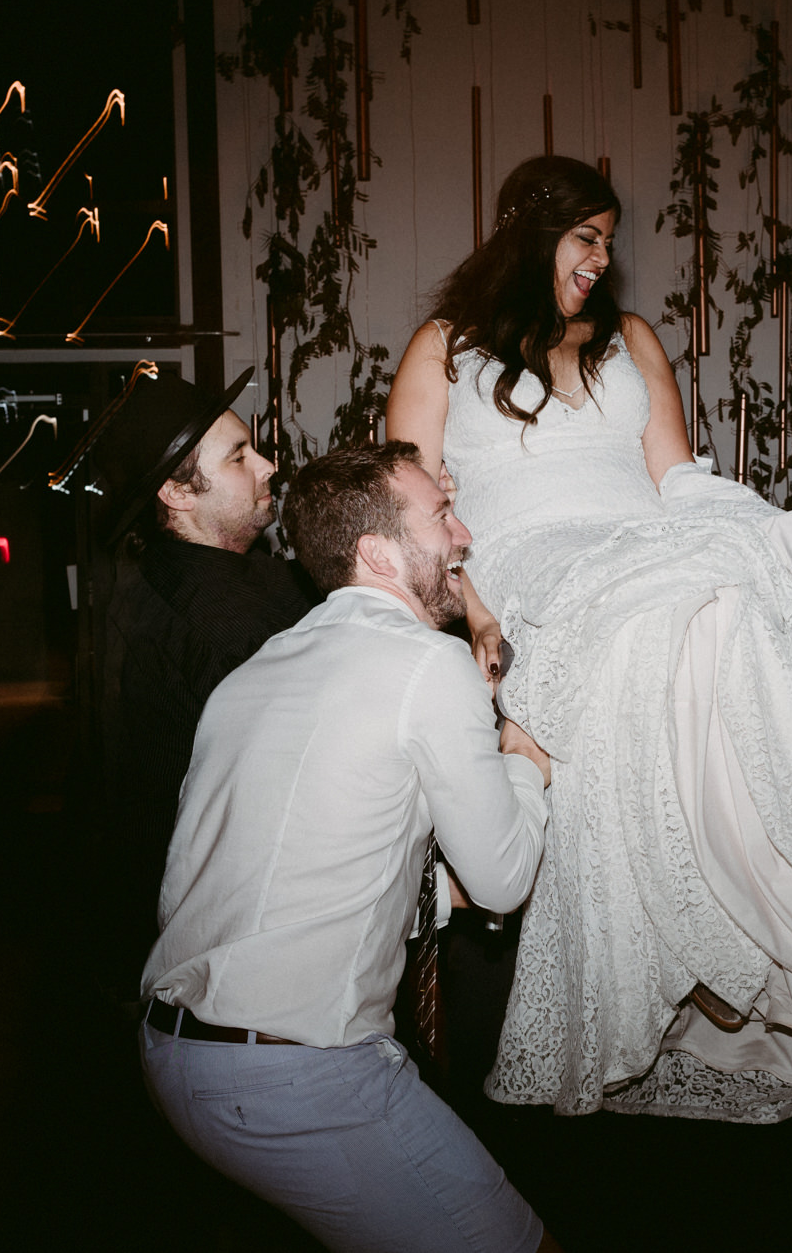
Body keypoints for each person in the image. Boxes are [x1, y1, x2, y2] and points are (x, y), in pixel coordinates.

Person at [385, 156, 792, 1123]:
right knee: (653, 624)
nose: (603, 257)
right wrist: (477, 609)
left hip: (649, 542)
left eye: (608, 240)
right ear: (529, 234)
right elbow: (412, 507)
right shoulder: (442, 349)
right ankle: (703, 949)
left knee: (734, 603)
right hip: (531, 567)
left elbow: (674, 474)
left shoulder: (629, 339)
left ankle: (754, 933)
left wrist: (757, 535)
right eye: (586, 237)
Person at [140, 441, 559, 1253]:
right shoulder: (426, 666)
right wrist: (526, 764)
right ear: (377, 552)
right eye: (440, 514)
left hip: (172, 1051)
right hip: (292, 1073)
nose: (463, 532)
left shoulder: (257, 669)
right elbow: (505, 878)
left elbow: (283, 856)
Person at [91, 370, 315, 992]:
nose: (268, 465)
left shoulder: (174, 577)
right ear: (177, 493)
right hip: (241, 951)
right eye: (240, 456)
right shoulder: (221, 616)